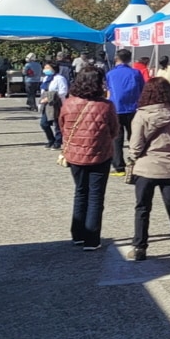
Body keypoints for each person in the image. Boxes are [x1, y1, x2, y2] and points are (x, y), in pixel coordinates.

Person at [121, 78, 170, 264]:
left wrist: (133, 157)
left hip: (146, 167)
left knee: (142, 208)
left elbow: (135, 145)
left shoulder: (142, 115)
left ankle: (140, 247)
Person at [58, 68, 121, 250]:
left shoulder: (68, 103)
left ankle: (77, 234)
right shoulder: (106, 106)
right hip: (100, 154)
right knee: (96, 196)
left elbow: (62, 127)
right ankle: (92, 239)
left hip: (75, 154)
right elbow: (114, 130)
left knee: (80, 192)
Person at [105, 49, 145, 175]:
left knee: (117, 138)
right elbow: (142, 89)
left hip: (116, 108)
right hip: (133, 108)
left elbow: (109, 91)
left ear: (116, 58)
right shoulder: (136, 73)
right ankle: (137, 161)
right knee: (135, 136)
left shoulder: (110, 74)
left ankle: (119, 166)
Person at [39, 61, 69, 149]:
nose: (45, 70)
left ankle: (58, 141)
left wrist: (51, 97)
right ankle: (50, 139)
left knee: (57, 124)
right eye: (45, 68)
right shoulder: (46, 78)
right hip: (46, 105)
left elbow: (63, 91)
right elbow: (43, 90)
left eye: (47, 68)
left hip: (57, 104)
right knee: (44, 123)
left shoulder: (60, 78)